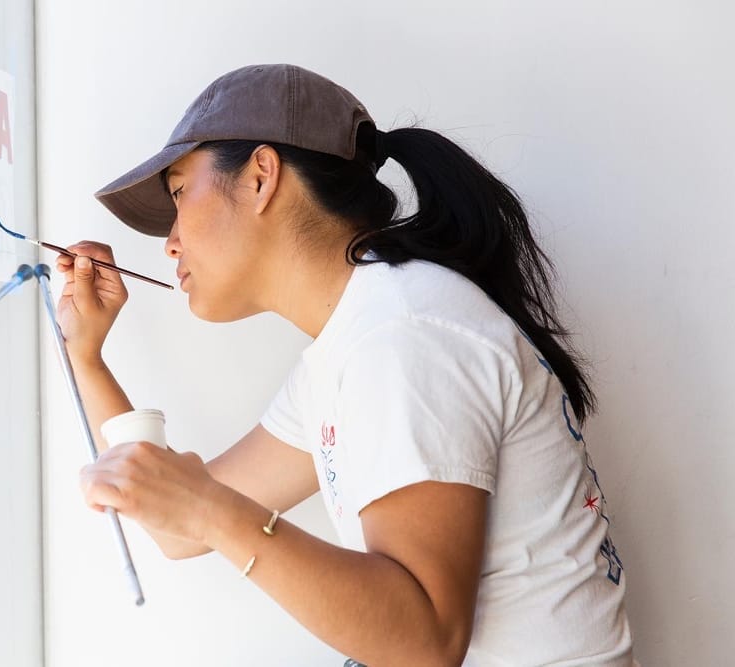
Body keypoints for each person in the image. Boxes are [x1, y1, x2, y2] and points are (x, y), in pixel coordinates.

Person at [55, 64, 634, 666]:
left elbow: (426, 641)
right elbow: (178, 533)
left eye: (179, 192)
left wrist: (208, 507)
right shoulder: (357, 340)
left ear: (260, 177)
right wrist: (86, 357)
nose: (170, 242)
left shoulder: (403, 335)